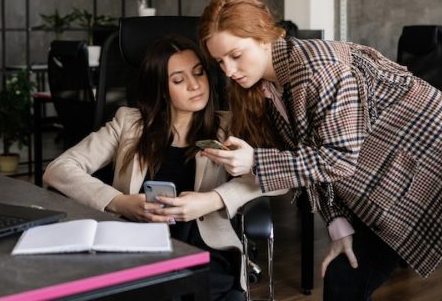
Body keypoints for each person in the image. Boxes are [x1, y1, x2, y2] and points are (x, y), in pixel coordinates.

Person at [197, 0, 442, 300]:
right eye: (220, 61)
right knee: (344, 277)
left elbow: (337, 159)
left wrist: (256, 162)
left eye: (235, 55)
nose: (228, 71)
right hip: (396, 183)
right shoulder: (269, 88)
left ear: (264, 37)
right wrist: (338, 225)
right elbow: (312, 157)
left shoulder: (318, 69)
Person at [44, 34, 284, 301]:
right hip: (140, 247)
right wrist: (119, 202)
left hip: (205, 250)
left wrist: (213, 200)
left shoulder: (228, 126)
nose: (195, 86)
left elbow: (282, 176)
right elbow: (59, 168)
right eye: (179, 80)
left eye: (199, 73)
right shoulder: (129, 124)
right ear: (160, 88)